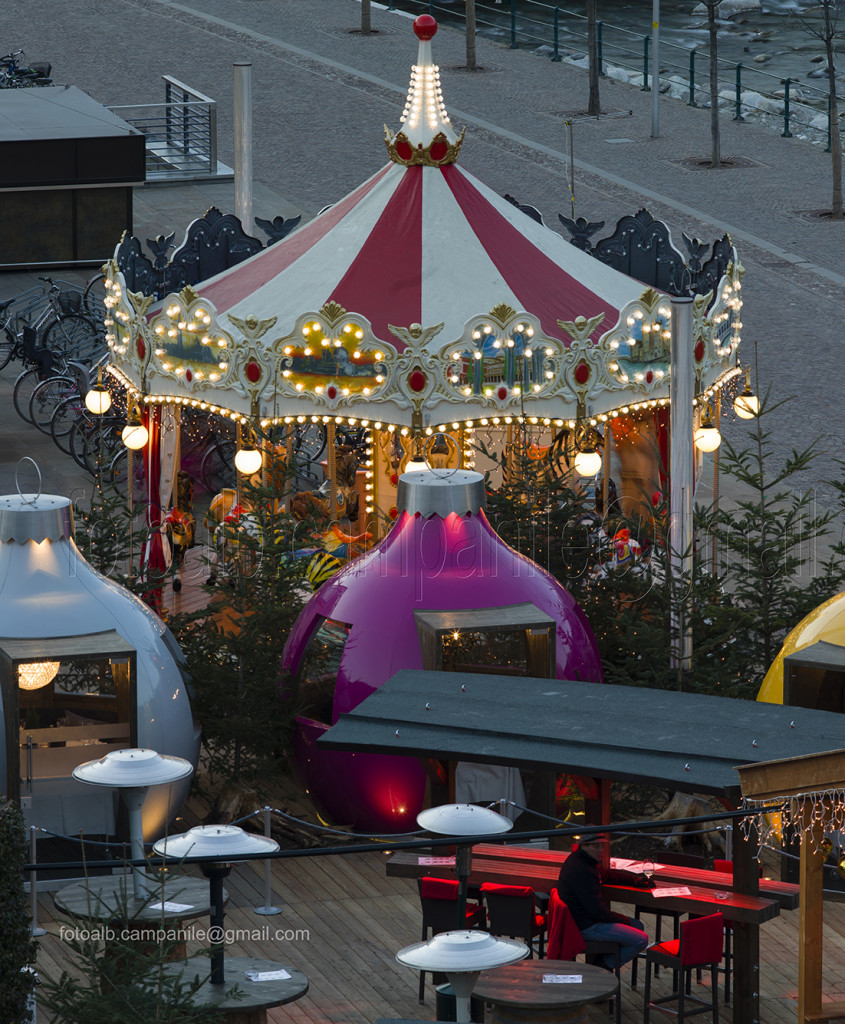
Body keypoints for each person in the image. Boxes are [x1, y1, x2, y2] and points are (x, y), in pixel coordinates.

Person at [556, 833, 652, 970]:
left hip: (582, 920)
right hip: (586, 927)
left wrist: (634, 881)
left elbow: (606, 875)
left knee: (637, 926)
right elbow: (597, 912)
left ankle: (606, 958)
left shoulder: (582, 860)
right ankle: (602, 967)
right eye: (596, 846)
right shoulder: (582, 871)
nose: (601, 850)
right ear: (584, 846)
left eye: (602, 846)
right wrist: (624, 920)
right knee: (641, 939)